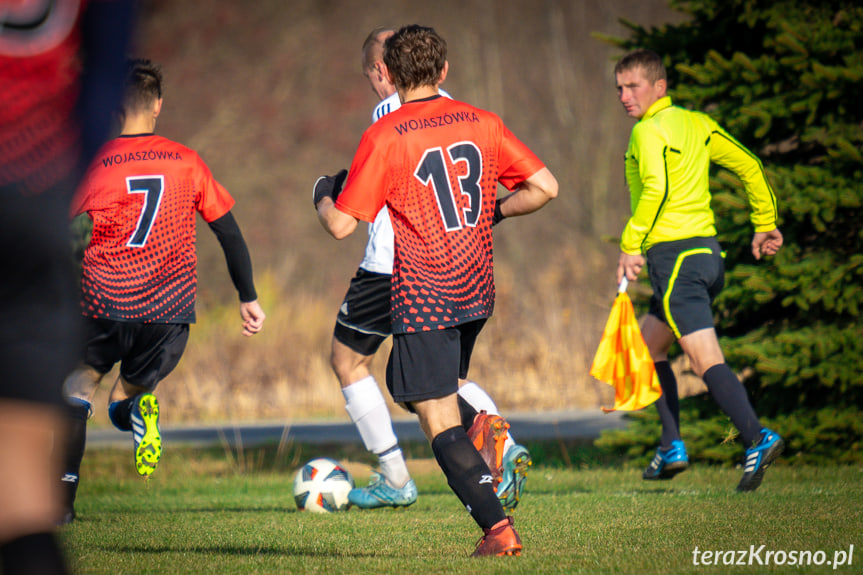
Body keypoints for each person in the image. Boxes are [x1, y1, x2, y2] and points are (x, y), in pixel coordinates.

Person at [315, 25, 558, 556]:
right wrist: (492, 210)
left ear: (392, 75)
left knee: (434, 415)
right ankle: (486, 429)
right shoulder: (483, 120)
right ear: (443, 71)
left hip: (425, 289)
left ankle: (498, 531)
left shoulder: (388, 132)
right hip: (476, 285)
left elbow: (340, 226)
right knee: (425, 392)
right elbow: (545, 187)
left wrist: (322, 195)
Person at [60, 59, 266, 523]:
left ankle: (61, 507)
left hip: (104, 300)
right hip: (168, 312)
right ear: (157, 105)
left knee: (77, 385)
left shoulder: (95, 162)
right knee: (123, 399)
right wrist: (248, 296)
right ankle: (138, 407)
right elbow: (228, 233)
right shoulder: (186, 160)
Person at [0, 0, 136, 572]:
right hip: (32, 204)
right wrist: (59, 181)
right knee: (20, 507)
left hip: (36, 220)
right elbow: (105, 71)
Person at [613, 49, 784, 492]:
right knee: (649, 345)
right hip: (706, 257)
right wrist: (764, 222)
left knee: (705, 358)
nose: (624, 96)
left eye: (633, 86)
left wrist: (630, 245)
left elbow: (657, 187)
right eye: (619, 87)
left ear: (659, 87)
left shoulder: (647, 132)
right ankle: (672, 445)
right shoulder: (698, 124)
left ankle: (757, 437)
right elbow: (750, 164)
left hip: (676, 263)